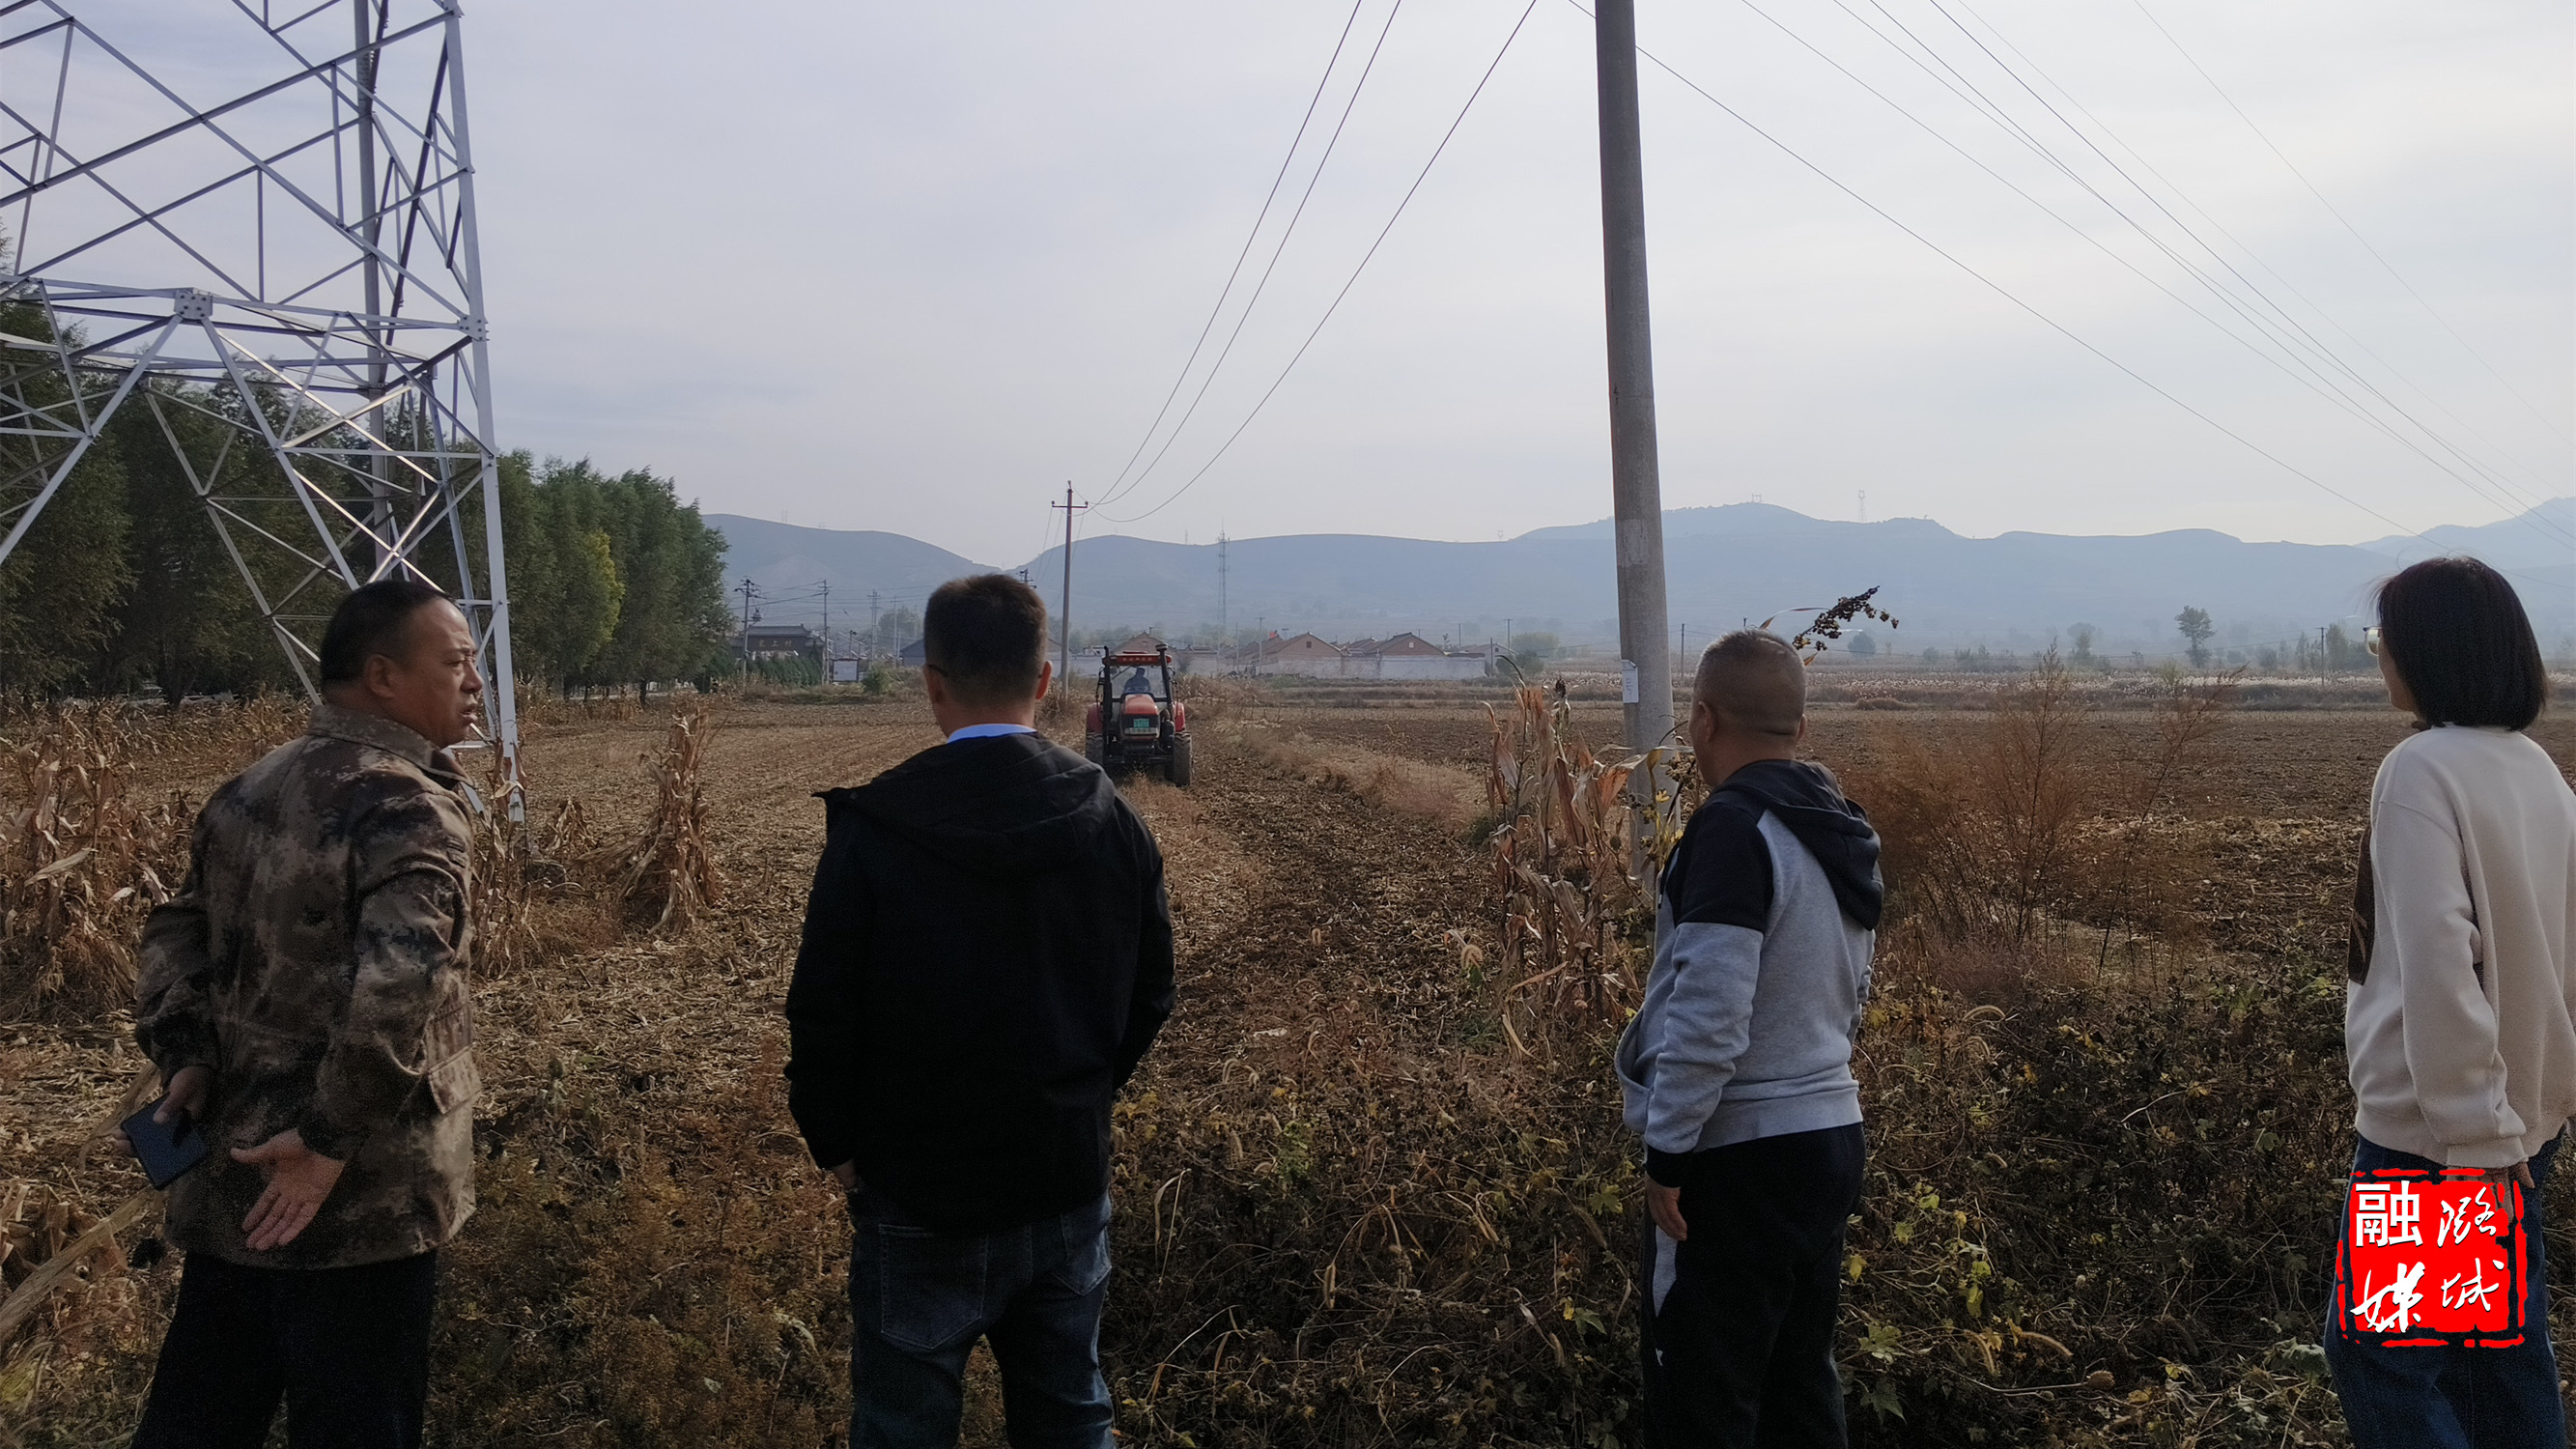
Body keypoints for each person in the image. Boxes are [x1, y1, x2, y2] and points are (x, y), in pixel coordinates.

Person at [785, 573, 1175, 1449]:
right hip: (1064, 1180)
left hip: (918, 1191)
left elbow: (822, 1011)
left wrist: (837, 1147)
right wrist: (1079, 1096)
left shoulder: (875, 828)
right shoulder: (1113, 818)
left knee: (902, 1427)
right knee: (1071, 1414)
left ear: (931, 681)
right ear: (1045, 678)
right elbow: (1151, 991)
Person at [125, 578, 486, 1449]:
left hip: (231, 1178)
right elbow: (403, 986)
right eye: (457, 662)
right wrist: (325, 1143)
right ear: (383, 676)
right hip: (360, 1203)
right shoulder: (407, 806)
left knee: (199, 1420)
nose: (477, 681)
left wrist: (186, 1053)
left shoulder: (250, 787)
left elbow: (174, 930)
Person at [2327, 556, 2575, 1448]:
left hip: (2442, 1139)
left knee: (2379, 1362)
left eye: (2383, 641)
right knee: (2491, 1356)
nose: (2379, 659)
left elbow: (2438, 964)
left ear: (2426, 652)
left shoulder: (2419, 770)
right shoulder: (2535, 770)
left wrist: (2472, 1133)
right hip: (2521, 1117)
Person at [1615, 630, 1882, 1449]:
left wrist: (1668, 1154)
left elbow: (1710, 1012)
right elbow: (1852, 992)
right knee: (1798, 1389)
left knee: (1704, 1398)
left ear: (1702, 720)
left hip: (1738, 1156)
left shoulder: (1733, 830)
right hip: (1829, 1136)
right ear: (1798, 728)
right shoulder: (1838, 829)